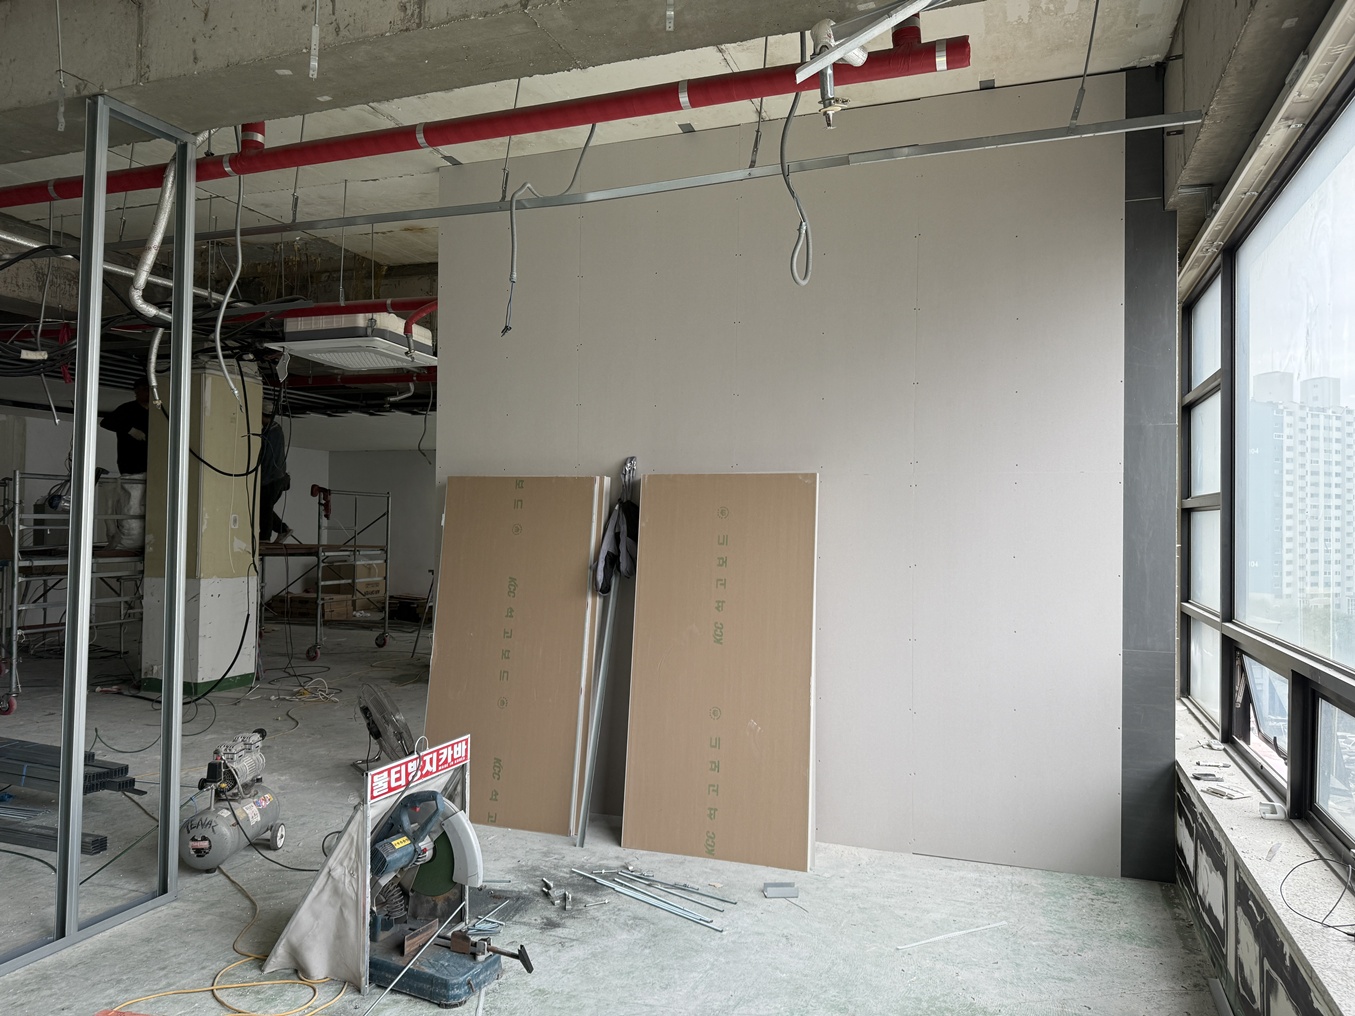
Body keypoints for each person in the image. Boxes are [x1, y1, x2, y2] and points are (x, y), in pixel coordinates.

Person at [98, 380, 150, 550]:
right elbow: (106, 422)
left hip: (153, 465)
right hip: (132, 464)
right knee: (132, 505)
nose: (147, 394)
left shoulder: (157, 410)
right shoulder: (128, 409)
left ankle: (144, 541)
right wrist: (129, 430)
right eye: (143, 390)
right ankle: (129, 542)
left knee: (148, 506)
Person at [259, 403, 292, 543]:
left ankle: (265, 539)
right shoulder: (276, 429)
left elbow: (264, 457)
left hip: (271, 479)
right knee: (263, 507)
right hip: (279, 478)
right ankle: (281, 529)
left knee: (264, 508)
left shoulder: (268, 433)